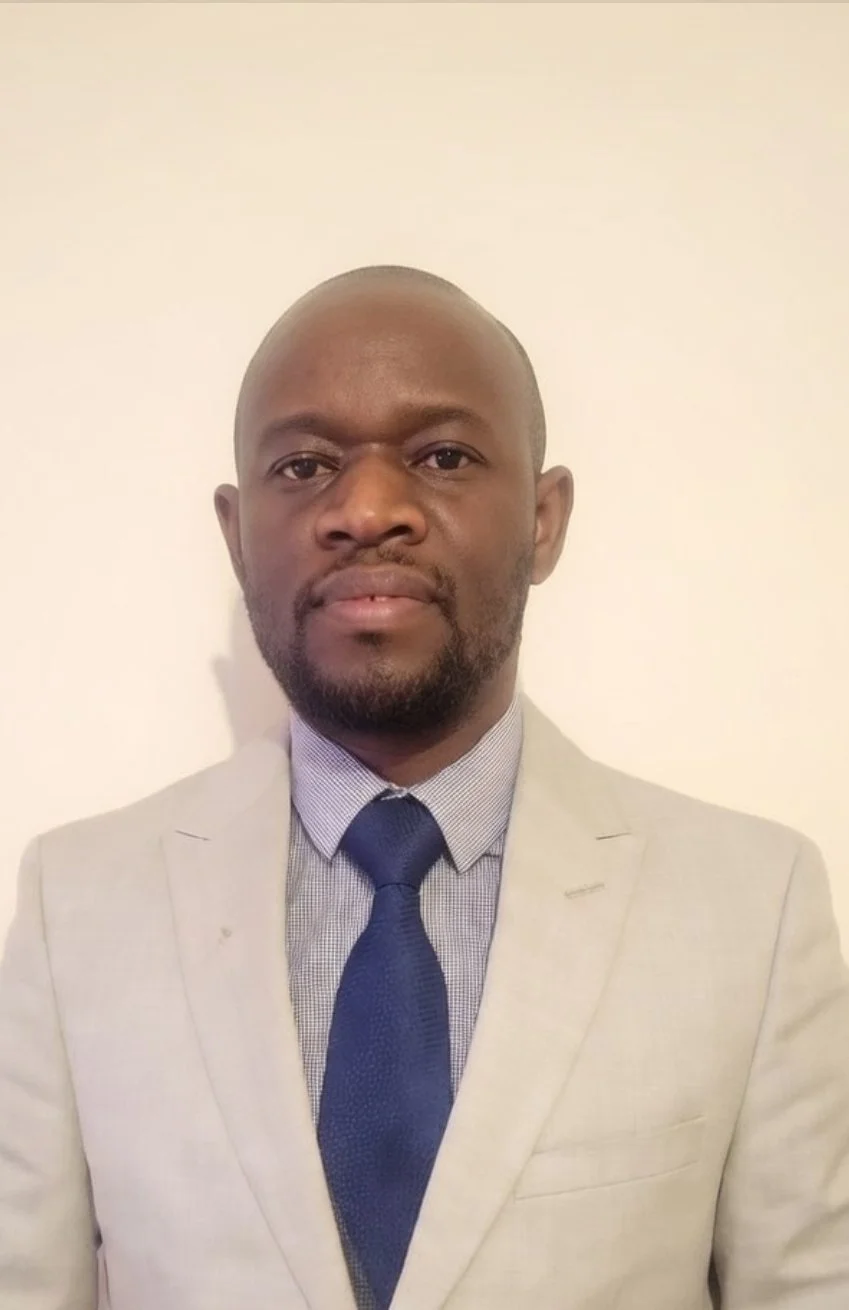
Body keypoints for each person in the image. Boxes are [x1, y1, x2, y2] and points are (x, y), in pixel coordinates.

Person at [1, 265, 847, 1310]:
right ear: (235, 533)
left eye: (443, 456)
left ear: (544, 519)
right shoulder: (78, 905)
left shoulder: (750, 907)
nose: (366, 508)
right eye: (305, 465)